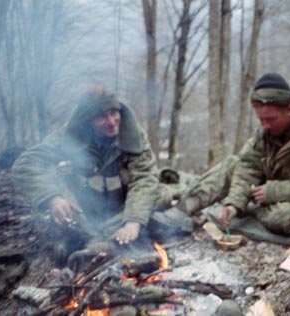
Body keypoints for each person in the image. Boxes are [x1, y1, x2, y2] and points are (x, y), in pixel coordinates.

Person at [12, 87, 191, 267]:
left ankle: (100, 244)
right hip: (84, 208)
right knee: (57, 184)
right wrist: (52, 198)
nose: (112, 121)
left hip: (123, 207)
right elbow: (26, 164)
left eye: (114, 113)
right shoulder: (70, 135)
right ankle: (90, 241)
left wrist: (133, 222)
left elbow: (144, 178)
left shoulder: (133, 134)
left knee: (158, 194)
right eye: (101, 117)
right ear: (88, 120)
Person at [176, 73, 290, 236]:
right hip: (268, 190)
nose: (265, 126)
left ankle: (253, 212)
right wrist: (234, 205)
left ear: (289, 108)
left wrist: (274, 191)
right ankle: (184, 208)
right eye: (261, 120)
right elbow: (248, 167)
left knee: (281, 217)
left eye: (271, 119)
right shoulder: (265, 131)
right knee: (232, 163)